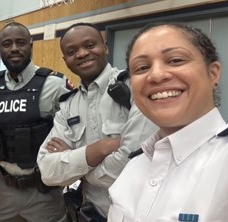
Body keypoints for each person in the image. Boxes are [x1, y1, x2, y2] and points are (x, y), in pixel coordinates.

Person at [107, 22, 228, 221]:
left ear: (213, 73)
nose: (156, 75)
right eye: (142, 67)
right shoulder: (135, 165)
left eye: (175, 60)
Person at [37, 22, 158, 221]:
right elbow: (48, 171)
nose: (82, 53)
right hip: (92, 214)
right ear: (65, 60)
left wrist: (79, 171)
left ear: (106, 47)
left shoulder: (135, 88)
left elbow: (135, 161)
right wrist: (101, 148)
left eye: (90, 45)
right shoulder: (68, 105)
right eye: (72, 51)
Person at [0, 22, 73, 222]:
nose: (14, 48)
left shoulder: (55, 85)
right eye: (7, 44)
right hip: (3, 188)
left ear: (30, 45)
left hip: (44, 189)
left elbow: (79, 127)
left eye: (21, 42)